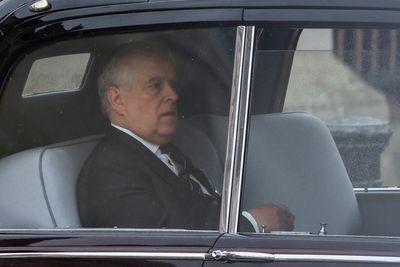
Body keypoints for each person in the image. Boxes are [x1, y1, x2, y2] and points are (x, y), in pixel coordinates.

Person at [77, 40, 295, 231]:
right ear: (117, 100)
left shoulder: (161, 150)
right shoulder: (110, 172)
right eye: (155, 86)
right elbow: (161, 249)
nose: (172, 95)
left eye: (173, 84)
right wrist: (253, 224)